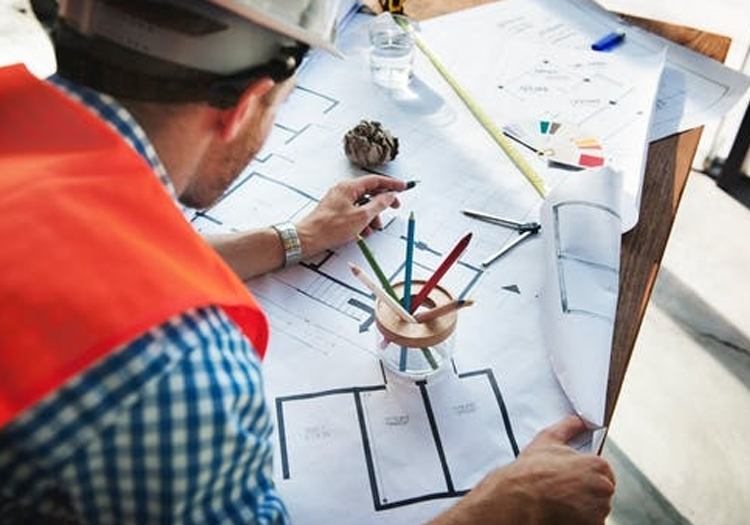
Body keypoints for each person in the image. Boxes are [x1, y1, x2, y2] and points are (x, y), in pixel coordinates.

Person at [0, 1, 615, 524]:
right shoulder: (178, 368)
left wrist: (296, 238)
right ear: (247, 102)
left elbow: (98, 256)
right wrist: (505, 508)